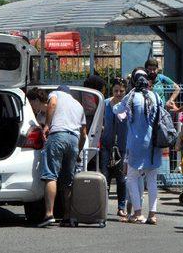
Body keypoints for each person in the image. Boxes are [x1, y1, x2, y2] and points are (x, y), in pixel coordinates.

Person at [113, 68, 163, 225]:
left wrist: (116, 102)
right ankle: (152, 215)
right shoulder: (154, 96)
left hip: (135, 143)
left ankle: (137, 212)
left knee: (132, 178)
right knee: (152, 179)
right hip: (154, 143)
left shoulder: (131, 96)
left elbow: (117, 110)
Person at [38, 85, 87, 228]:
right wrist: (78, 151)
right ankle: (68, 216)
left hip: (58, 135)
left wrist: (47, 125)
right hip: (73, 139)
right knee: (68, 180)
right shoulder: (78, 105)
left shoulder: (55, 94)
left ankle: (49, 214)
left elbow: (52, 104)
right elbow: (84, 133)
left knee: (51, 175)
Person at [99, 78, 128, 218]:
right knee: (105, 177)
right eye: (116, 90)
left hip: (122, 146)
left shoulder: (128, 105)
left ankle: (121, 207)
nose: (118, 94)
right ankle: (102, 207)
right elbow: (100, 121)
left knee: (121, 179)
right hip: (106, 145)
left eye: (121, 91)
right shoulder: (105, 103)